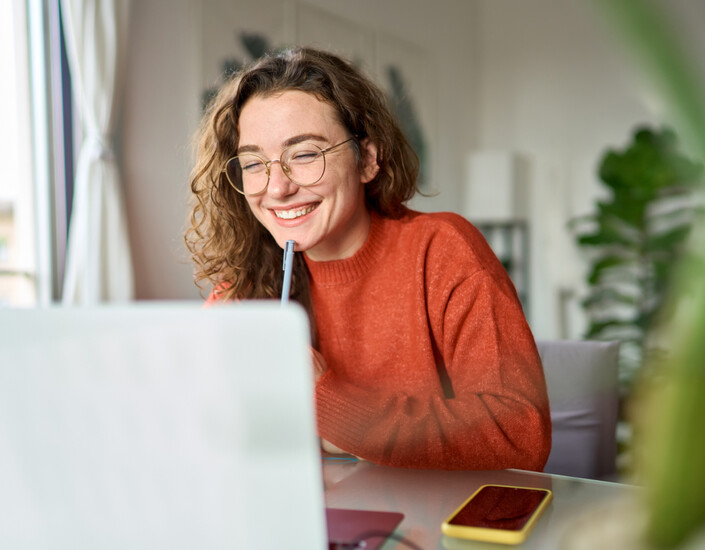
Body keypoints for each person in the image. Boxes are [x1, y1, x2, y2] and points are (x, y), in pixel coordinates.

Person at [186, 47, 551, 470]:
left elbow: (520, 434)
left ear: (368, 160)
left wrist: (324, 399)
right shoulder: (247, 281)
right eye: (254, 163)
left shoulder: (443, 250)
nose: (277, 187)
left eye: (304, 154)